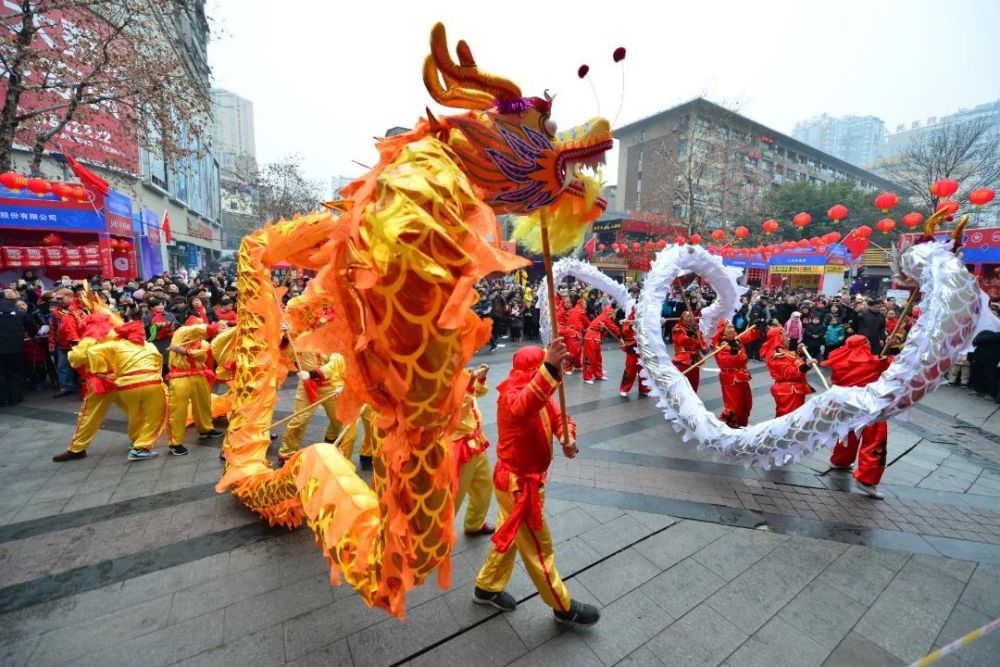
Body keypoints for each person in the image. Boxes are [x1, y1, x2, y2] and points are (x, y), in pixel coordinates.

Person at [473, 339, 599, 627]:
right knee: (540, 550)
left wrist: (567, 435)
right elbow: (525, 405)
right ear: (533, 371)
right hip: (519, 487)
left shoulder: (540, 393)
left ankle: (486, 586)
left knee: (511, 536)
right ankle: (562, 605)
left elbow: (558, 415)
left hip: (522, 482)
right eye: (541, 366)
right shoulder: (512, 398)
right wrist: (550, 368)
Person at [84, 320, 167, 460]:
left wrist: (100, 370)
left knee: (135, 414)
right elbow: (158, 361)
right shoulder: (149, 345)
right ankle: (140, 447)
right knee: (156, 416)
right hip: (150, 382)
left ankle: (136, 440)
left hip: (125, 385)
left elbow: (92, 350)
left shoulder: (116, 345)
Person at [824, 335, 893, 498]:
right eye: (867, 342)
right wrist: (891, 350)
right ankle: (866, 479)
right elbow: (894, 366)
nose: (870, 344)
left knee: (848, 434)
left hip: (849, 405)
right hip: (871, 407)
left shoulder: (839, 363)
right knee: (875, 441)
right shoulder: (874, 362)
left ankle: (840, 461)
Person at [52, 313, 124, 461]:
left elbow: (76, 359)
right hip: (119, 378)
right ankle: (141, 439)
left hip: (100, 381)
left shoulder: (90, 339)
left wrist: (73, 352)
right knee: (134, 409)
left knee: (88, 415)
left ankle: (77, 448)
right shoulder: (117, 334)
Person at [278, 350, 355, 464]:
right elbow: (287, 354)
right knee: (299, 419)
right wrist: (285, 338)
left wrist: (311, 374)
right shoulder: (301, 336)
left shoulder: (329, 338)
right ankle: (287, 452)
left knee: (337, 419)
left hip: (331, 386)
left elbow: (336, 362)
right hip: (306, 385)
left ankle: (330, 441)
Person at [165, 322, 226, 455]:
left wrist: (185, 351)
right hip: (180, 376)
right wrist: (213, 329)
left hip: (199, 375)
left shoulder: (202, 343)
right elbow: (192, 331)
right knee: (178, 410)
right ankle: (175, 443)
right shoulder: (181, 333)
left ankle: (206, 430)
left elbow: (203, 355)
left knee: (204, 404)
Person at [452, 363, 494, 536]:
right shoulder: (442, 382)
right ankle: (437, 538)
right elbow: (455, 414)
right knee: (454, 497)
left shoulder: (461, 374)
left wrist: (480, 378)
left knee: (484, 487)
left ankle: (474, 523)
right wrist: (469, 384)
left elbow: (474, 394)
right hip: (460, 448)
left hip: (476, 443)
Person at [714, 321, 760, 427]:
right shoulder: (720, 345)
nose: (733, 329)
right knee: (733, 407)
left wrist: (755, 328)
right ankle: (726, 427)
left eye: (733, 327)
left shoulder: (736, 338)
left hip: (741, 376)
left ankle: (741, 424)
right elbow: (727, 361)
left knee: (746, 403)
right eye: (729, 327)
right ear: (722, 330)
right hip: (730, 378)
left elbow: (749, 336)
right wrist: (734, 351)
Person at [762, 326, 814, 417]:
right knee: (788, 418)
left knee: (794, 417)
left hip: (793, 389)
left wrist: (799, 351)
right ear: (779, 338)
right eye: (786, 336)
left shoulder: (781, 350)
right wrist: (806, 366)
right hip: (789, 391)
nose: (789, 339)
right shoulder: (776, 354)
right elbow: (790, 373)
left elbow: (790, 358)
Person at [0, 288, 30, 406]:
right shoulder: (19, 311)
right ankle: (16, 397)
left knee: (1, 374)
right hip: (16, 347)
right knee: (15, 373)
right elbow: (31, 325)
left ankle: (3, 399)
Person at [51, 288, 82, 397]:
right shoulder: (56, 312)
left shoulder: (80, 309)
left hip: (79, 343)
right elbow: (53, 328)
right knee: (63, 366)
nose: (59, 301)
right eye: (57, 299)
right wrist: (52, 343)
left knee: (82, 367)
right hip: (63, 345)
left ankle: (85, 388)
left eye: (61, 298)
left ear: (70, 297)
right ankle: (66, 387)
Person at [581, 302, 620, 384]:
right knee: (589, 357)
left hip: (596, 337)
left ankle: (598, 374)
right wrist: (621, 336)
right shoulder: (606, 317)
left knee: (598, 357)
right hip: (591, 336)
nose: (613, 316)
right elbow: (614, 328)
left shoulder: (605, 316)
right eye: (613, 314)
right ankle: (587, 377)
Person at [619, 306, 650, 398]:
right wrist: (632, 326)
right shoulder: (630, 319)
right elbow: (625, 331)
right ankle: (624, 389)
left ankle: (644, 389)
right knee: (630, 369)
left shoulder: (645, 319)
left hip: (643, 348)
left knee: (643, 370)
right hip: (632, 348)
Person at [672, 310, 706, 392]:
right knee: (683, 383)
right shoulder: (677, 329)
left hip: (695, 360)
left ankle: (693, 399)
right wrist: (691, 335)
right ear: (682, 318)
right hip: (683, 359)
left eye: (691, 316)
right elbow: (682, 341)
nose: (690, 318)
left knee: (694, 382)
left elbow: (702, 341)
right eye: (687, 317)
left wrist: (704, 347)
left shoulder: (696, 330)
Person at [563, 296, 589, 375]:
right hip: (574, 333)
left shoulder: (573, 310)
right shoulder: (581, 311)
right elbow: (586, 322)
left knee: (577, 350)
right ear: (581, 303)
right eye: (584, 303)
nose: (585, 304)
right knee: (573, 351)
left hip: (571, 332)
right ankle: (567, 368)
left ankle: (577, 365)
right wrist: (590, 326)